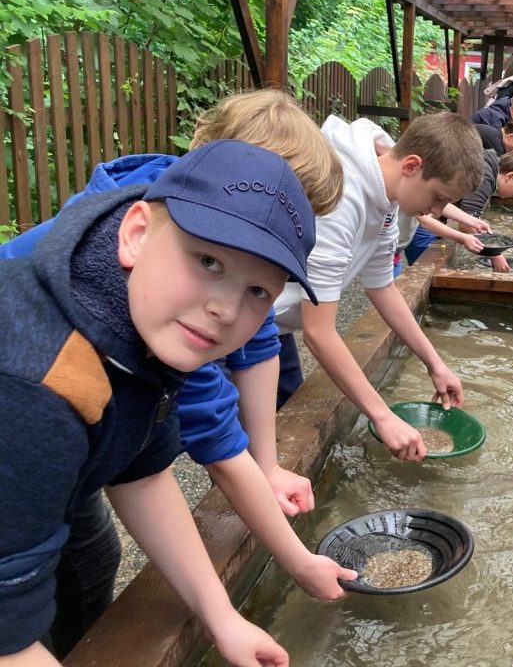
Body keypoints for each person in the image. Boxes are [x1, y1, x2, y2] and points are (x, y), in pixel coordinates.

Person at [0, 89, 352, 657]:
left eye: (257, 290)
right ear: (136, 232)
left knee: (87, 563)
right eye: (208, 261)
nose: (225, 309)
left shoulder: (145, 326)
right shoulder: (34, 386)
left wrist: (222, 617)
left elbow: (141, 472)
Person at [274, 112, 483, 461]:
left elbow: (382, 286)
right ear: (412, 166)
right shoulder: (340, 199)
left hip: (273, 327)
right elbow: (319, 333)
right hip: (230, 322)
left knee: (286, 424)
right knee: (214, 431)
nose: (434, 210)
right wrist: (382, 415)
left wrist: (435, 363)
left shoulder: (387, 198)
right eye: (436, 198)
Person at [404, 149, 513, 271]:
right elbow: (426, 220)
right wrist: (493, 252)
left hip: (411, 221)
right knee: (426, 267)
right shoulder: (485, 176)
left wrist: (472, 220)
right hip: (411, 225)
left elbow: (443, 207)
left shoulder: (485, 166)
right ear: (509, 176)